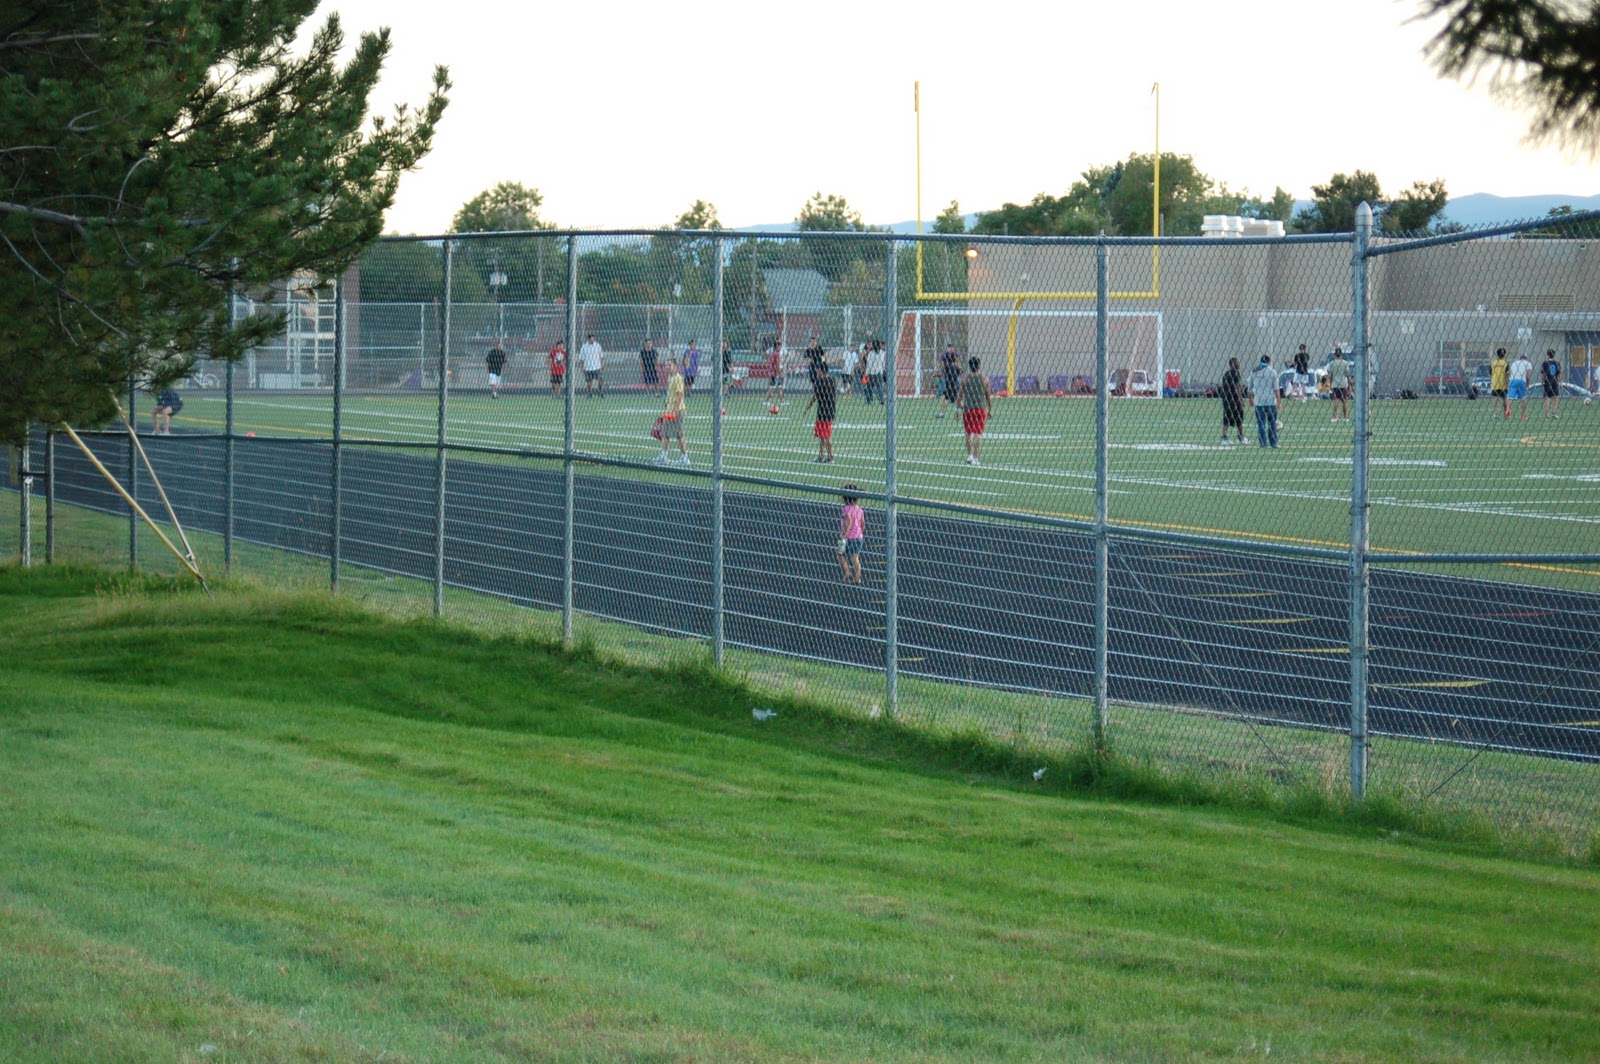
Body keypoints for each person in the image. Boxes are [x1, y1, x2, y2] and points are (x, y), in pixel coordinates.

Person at [653, 356, 690, 466]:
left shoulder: (678, 378)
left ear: (675, 366)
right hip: (669, 411)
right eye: (666, 365)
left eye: (670, 365)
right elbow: (671, 394)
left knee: (679, 435)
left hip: (677, 411)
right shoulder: (670, 378)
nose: (668, 367)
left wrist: (673, 410)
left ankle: (685, 458)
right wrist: (667, 404)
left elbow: (679, 395)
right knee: (665, 434)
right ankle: (664, 456)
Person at [957, 356, 993, 465]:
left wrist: (960, 408)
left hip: (968, 409)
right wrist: (991, 409)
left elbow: (959, 397)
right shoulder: (985, 379)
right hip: (980, 409)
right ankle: (976, 458)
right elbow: (988, 396)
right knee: (978, 433)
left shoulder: (964, 378)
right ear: (979, 366)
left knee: (968, 433)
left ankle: (969, 456)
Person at [801, 352, 837, 463]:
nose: (816, 371)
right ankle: (821, 456)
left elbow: (815, 397)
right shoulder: (832, 380)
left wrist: (807, 407)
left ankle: (830, 457)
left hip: (823, 411)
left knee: (825, 435)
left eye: (818, 369)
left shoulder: (820, 381)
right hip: (830, 410)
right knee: (823, 435)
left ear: (821, 370)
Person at [1247, 354, 1281, 448]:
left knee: (1260, 423)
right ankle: (1273, 442)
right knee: (1272, 423)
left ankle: (1263, 443)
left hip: (1259, 401)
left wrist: (1250, 400)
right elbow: (1276, 389)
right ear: (1269, 362)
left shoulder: (1254, 371)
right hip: (1270, 401)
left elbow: (1249, 388)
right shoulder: (1272, 371)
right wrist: (1279, 402)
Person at [837, 485, 865, 585]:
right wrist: (861, 532)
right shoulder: (859, 510)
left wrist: (844, 533)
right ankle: (857, 579)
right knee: (855, 558)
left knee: (840, 554)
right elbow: (862, 523)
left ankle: (847, 572)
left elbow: (848, 520)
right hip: (859, 537)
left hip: (848, 537)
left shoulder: (846, 509)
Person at [1219, 357, 1246, 443]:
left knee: (1227, 418)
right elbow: (1237, 388)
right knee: (1239, 418)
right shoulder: (1236, 373)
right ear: (1233, 364)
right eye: (1237, 362)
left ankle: (1224, 437)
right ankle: (1240, 437)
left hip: (1227, 399)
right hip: (1234, 399)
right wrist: (1241, 399)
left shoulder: (1226, 374)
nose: (1239, 364)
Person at [1327, 347, 1352, 422]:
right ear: (1341, 355)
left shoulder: (1332, 363)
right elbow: (1347, 374)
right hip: (1343, 384)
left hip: (1335, 384)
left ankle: (1335, 417)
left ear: (1335, 355)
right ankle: (1345, 417)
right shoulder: (1345, 363)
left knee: (1335, 400)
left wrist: (1330, 384)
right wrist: (1349, 384)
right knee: (1344, 401)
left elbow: (1331, 375)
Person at [1508, 348, 1533, 420]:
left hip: (1512, 380)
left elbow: (1510, 372)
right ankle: (1523, 416)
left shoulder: (1514, 363)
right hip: (1522, 380)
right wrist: (1527, 383)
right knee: (1523, 399)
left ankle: (1507, 412)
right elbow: (1528, 375)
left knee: (1510, 398)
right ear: (1526, 359)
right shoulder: (1528, 363)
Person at [937, 342, 961, 418]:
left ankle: (958, 412)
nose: (950, 349)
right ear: (947, 348)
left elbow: (959, 366)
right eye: (949, 347)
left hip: (954, 379)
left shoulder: (956, 356)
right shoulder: (944, 356)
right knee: (943, 396)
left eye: (952, 347)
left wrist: (955, 365)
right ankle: (942, 413)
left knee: (957, 396)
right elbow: (942, 365)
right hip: (947, 378)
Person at [863, 339, 886, 405]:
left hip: (871, 373)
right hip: (879, 372)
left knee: (869, 386)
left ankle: (869, 400)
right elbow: (883, 363)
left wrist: (866, 373)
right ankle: (881, 399)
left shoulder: (871, 353)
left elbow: (869, 365)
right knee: (879, 386)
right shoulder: (882, 353)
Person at [1540, 349, 1562, 419]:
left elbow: (1543, 374)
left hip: (1547, 381)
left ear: (1548, 355)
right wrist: (1560, 382)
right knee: (1556, 397)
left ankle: (1547, 415)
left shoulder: (1545, 363)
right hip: (1555, 381)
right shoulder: (1557, 363)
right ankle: (1554, 413)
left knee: (1547, 398)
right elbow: (1559, 374)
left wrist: (1542, 382)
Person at [1489, 347, 1510, 419]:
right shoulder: (1506, 363)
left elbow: (1490, 373)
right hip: (1503, 384)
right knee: (1504, 399)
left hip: (1495, 383)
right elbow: (1507, 374)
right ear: (1504, 355)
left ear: (1497, 355)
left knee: (1496, 399)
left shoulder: (1494, 363)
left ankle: (1496, 414)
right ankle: (1506, 415)